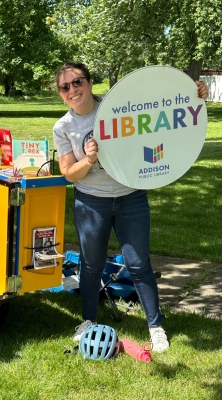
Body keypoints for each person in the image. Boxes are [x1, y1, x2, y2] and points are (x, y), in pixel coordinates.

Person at [53, 62, 209, 352]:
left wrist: (194, 93)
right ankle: (87, 322)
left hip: (131, 196)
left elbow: (160, 101)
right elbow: (68, 172)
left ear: (89, 82)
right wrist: (87, 161)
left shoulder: (117, 106)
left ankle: (156, 326)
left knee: (139, 264)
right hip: (91, 201)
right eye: (65, 87)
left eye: (77, 82)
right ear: (60, 94)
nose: (73, 90)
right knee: (90, 265)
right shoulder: (63, 127)